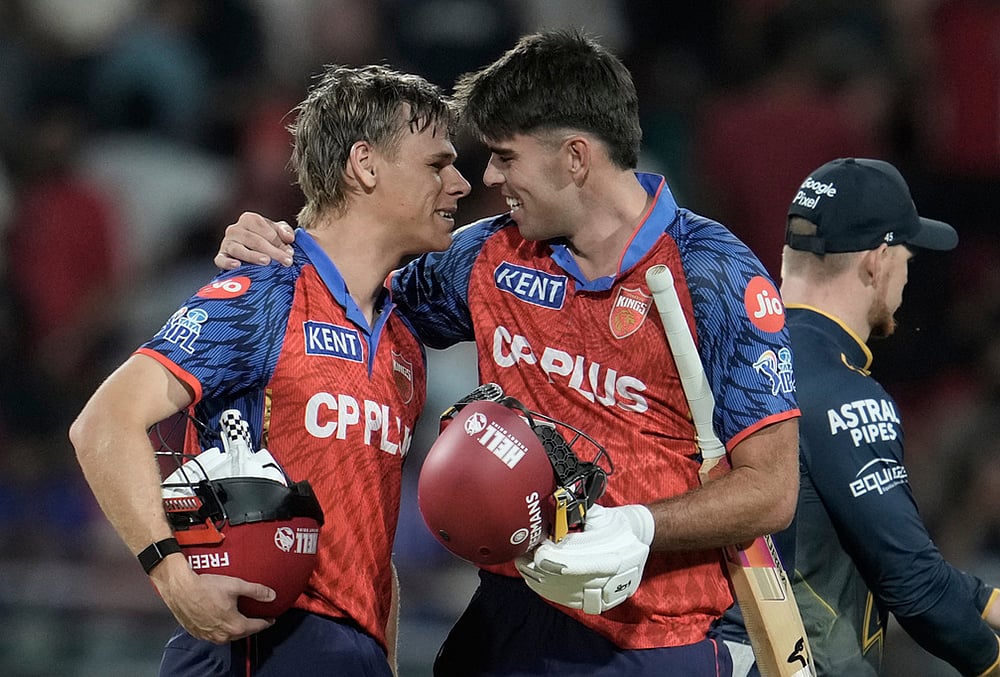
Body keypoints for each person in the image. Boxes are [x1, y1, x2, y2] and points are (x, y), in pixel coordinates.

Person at [215, 30, 800, 676]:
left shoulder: (715, 276)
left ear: (574, 158)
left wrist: (637, 526)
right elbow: (351, 288)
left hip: (659, 641)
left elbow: (771, 490)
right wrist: (280, 245)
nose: (487, 177)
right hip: (507, 623)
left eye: (504, 156)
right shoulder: (489, 255)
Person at [69, 63, 471, 676]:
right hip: (257, 646)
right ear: (364, 165)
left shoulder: (402, 336)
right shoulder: (264, 294)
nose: (461, 184)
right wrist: (172, 575)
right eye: (437, 165)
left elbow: (367, 535)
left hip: (353, 652)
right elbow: (103, 423)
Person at [716, 157, 1000, 676]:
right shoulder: (846, 395)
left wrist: (985, 599)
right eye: (907, 255)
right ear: (877, 259)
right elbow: (917, 590)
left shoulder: (729, 352)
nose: (909, 274)